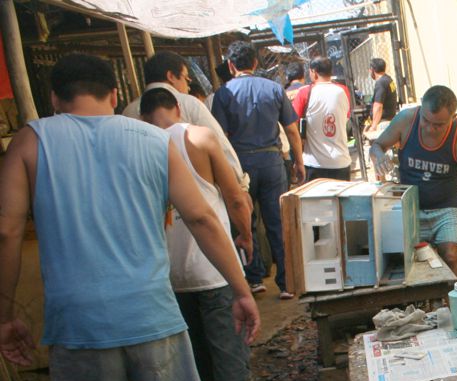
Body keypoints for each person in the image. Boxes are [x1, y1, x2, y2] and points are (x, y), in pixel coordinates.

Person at [0, 54, 259, 381]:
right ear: (116, 95)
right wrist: (241, 289)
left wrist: (7, 312)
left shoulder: (30, 141)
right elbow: (203, 218)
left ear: (55, 98)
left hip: (77, 323)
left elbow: (8, 229)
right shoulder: (154, 142)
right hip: (152, 312)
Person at [140, 88, 278, 381]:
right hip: (213, 268)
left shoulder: (138, 146)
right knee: (230, 354)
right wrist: (246, 235)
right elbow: (235, 197)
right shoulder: (198, 136)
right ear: (179, 107)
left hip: (169, 273)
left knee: (199, 358)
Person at [370, 85, 457, 277]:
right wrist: (379, 156)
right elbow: (377, 146)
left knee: (450, 256)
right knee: (412, 262)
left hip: (446, 209)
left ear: (454, 116)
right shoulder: (406, 120)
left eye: (439, 124)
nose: (430, 128)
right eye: (426, 120)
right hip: (412, 207)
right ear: (421, 110)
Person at [212, 41, 305, 300]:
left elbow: (220, 136)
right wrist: (298, 161)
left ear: (231, 65)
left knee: (245, 222)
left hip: (240, 166)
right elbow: (291, 130)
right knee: (278, 222)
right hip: (273, 162)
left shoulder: (223, 94)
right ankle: (286, 283)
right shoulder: (274, 89)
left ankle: (254, 279)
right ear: (255, 63)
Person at [122, 51, 247, 192]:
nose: (188, 86)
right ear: (170, 76)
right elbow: (221, 145)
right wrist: (240, 184)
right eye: (186, 79)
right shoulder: (189, 103)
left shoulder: (128, 112)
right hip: (197, 194)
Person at [292, 57, 352, 182]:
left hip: (314, 164)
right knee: (340, 201)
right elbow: (345, 117)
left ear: (313, 72)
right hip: (341, 162)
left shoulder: (304, 93)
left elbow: (293, 124)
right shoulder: (343, 91)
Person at [365, 57, 397, 136]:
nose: (369, 71)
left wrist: (374, 126)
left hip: (383, 123)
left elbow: (378, 106)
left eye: (370, 69)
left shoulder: (381, 83)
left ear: (373, 70)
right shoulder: (389, 79)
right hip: (390, 120)